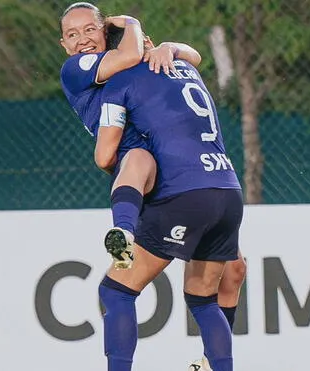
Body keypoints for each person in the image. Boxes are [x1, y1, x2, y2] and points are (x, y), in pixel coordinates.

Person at [59, 4, 246, 369]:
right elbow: (195, 55)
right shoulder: (181, 67)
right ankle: (216, 364)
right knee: (208, 295)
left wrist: (129, 23)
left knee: (115, 292)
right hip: (226, 188)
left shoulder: (119, 80)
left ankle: (124, 230)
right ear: (64, 42)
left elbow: (103, 155)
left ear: (110, 42)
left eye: (90, 31)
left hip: (180, 192)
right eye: (72, 34)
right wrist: (170, 48)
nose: (82, 40)